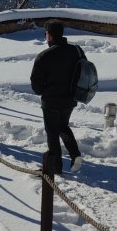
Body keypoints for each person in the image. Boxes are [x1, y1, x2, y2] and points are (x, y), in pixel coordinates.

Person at [30, 20, 84, 174]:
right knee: (62, 126)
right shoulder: (76, 50)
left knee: (52, 132)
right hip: (71, 98)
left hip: (51, 100)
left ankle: (55, 168)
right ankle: (75, 154)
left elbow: (36, 84)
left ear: (49, 35)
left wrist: (43, 90)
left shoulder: (44, 56)